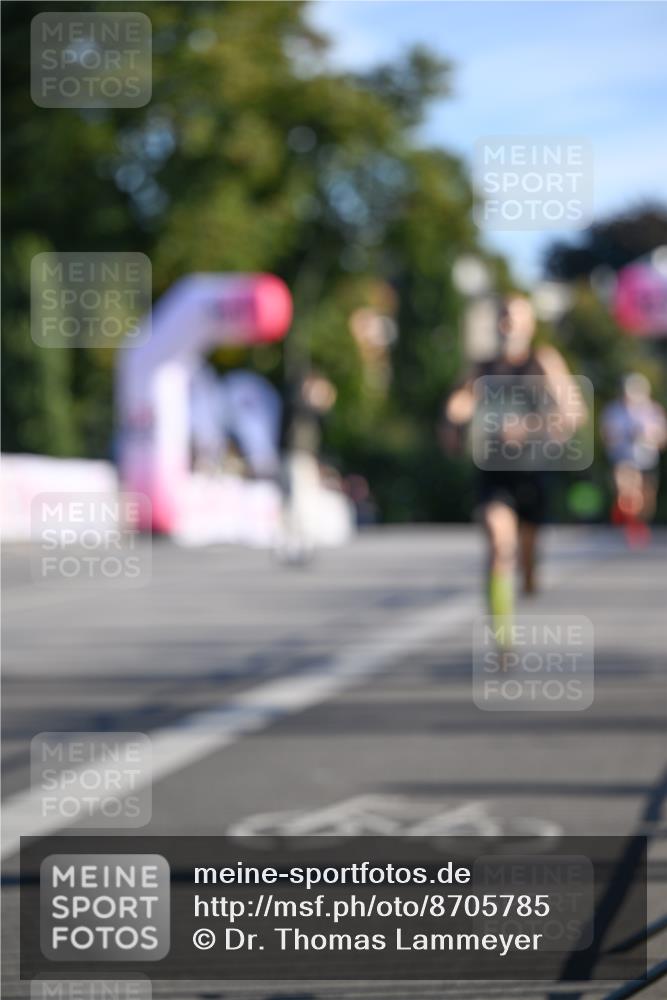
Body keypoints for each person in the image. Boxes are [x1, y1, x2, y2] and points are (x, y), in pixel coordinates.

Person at [442, 294, 587, 639]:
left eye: (515, 317)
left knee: (527, 558)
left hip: (533, 471)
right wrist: (453, 420)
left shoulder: (543, 362)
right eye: (503, 316)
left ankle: (530, 571)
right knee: (497, 540)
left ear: (530, 325)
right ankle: (502, 637)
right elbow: (458, 405)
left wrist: (529, 426)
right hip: (495, 473)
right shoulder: (483, 368)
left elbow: (573, 414)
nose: (508, 324)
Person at [602, 373, 667, 546]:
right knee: (628, 492)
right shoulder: (614, 410)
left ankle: (638, 524)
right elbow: (607, 436)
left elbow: (662, 439)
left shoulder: (654, 410)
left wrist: (648, 436)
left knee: (646, 500)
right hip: (624, 459)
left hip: (647, 460)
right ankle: (628, 525)